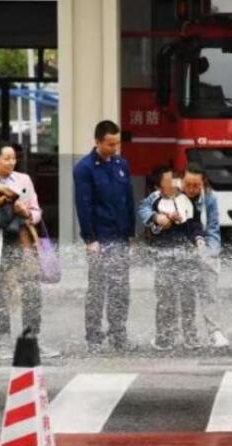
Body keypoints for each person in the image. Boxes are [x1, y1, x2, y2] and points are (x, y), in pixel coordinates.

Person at [0, 143, 58, 359]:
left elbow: (36, 210)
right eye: (7, 158)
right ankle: (2, 341)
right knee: (0, 294)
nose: (12, 162)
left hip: (24, 242)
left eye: (14, 158)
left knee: (32, 291)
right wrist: (9, 210)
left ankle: (32, 337)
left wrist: (29, 215)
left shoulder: (24, 180)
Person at [139, 164, 228, 348]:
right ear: (180, 181)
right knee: (167, 296)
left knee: (205, 292)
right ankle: (165, 336)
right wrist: (157, 218)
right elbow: (145, 207)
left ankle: (212, 333)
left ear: (203, 183)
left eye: (197, 185)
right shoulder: (169, 193)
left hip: (201, 250)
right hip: (170, 253)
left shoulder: (209, 198)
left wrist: (207, 251)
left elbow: (210, 227)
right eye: (188, 184)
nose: (192, 189)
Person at [73, 120, 136, 352]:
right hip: (100, 238)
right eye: (110, 144)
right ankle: (94, 337)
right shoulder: (84, 168)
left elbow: (129, 199)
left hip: (120, 237)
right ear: (98, 141)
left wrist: (130, 233)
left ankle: (119, 335)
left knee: (121, 289)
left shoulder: (121, 164)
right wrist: (90, 239)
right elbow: (84, 205)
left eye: (117, 143)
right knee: (98, 289)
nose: (114, 148)